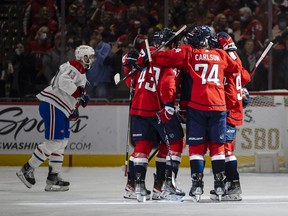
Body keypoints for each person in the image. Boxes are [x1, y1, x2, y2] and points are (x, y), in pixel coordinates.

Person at [153, 26, 243, 201]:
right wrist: (231, 48)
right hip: (218, 106)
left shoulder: (189, 53)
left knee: (196, 148)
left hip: (197, 107)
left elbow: (166, 58)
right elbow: (237, 67)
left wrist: (150, 55)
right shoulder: (221, 54)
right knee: (218, 147)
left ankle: (197, 186)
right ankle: (219, 185)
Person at [16, 45, 95, 191]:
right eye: (89, 56)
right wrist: (80, 95)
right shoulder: (75, 66)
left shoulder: (76, 69)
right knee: (55, 141)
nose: (91, 59)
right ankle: (27, 169)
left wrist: (73, 107)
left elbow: (58, 83)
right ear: (82, 57)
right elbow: (63, 82)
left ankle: (53, 177)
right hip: (54, 105)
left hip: (60, 107)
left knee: (62, 142)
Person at [122, 29, 185, 202]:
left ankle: (135, 186)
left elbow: (131, 82)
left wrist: (128, 64)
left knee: (143, 145)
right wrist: (169, 106)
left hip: (138, 106)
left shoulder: (143, 56)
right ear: (169, 44)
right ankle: (163, 186)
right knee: (175, 142)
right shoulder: (168, 58)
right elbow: (168, 82)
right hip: (157, 106)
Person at [208, 32, 251, 201]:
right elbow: (246, 77)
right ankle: (228, 184)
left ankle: (234, 185)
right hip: (233, 111)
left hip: (227, 111)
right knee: (227, 149)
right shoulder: (236, 59)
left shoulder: (224, 61)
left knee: (226, 150)